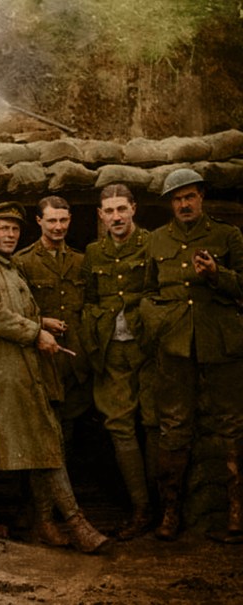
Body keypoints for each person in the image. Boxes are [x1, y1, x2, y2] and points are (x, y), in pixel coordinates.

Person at [0, 201, 109, 553]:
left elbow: (14, 308)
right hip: (3, 370)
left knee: (43, 442)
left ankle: (44, 523)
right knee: (47, 440)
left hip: (23, 367)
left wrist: (42, 322)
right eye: (2, 229)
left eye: (14, 229)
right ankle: (76, 524)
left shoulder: (9, 266)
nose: (9, 235)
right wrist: (35, 333)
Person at [142, 168, 243, 542]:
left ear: (201, 197)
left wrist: (218, 275)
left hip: (222, 343)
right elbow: (147, 292)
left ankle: (236, 511)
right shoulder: (156, 240)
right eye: (177, 198)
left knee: (233, 425)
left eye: (190, 197)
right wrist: (157, 324)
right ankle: (170, 512)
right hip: (174, 345)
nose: (184, 204)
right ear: (170, 203)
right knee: (173, 425)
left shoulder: (227, 235)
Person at [80, 184, 158, 541]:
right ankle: (140, 509)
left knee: (157, 421)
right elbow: (91, 300)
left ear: (134, 210)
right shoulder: (94, 253)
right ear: (100, 215)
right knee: (119, 426)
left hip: (149, 349)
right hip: (113, 351)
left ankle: (168, 507)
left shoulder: (153, 244)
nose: (116, 217)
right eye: (108, 211)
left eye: (121, 210)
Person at [13, 196, 91, 453]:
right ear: (39, 221)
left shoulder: (81, 261)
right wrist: (41, 323)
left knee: (71, 427)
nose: (58, 227)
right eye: (52, 221)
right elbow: (14, 312)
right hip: (41, 360)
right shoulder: (22, 262)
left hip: (74, 360)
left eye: (63, 220)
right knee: (41, 428)